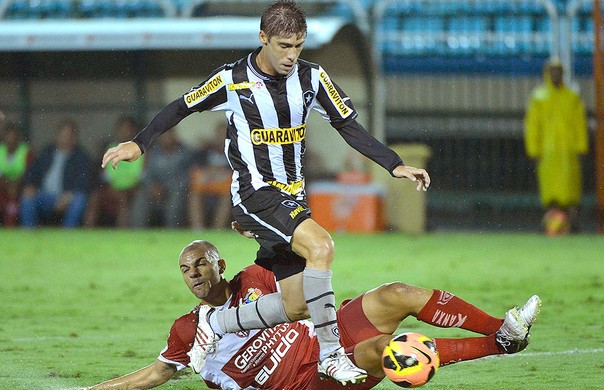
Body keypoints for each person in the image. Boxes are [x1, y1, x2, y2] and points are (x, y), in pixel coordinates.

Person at [101, 1, 430, 383]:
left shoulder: (312, 79)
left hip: (291, 199)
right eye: (283, 45)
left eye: (298, 45)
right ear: (263, 38)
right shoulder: (232, 79)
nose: (292, 55)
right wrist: (139, 144)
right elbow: (180, 107)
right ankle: (330, 354)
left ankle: (218, 322)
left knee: (297, 304)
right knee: (322, 247)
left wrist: (394, 163)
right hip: (254, 194)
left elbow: (349, 127)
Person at [87, 239, 541, 390]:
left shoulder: (254, 278)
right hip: (312, 380)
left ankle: (504, 331)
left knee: (397, 293)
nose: (194, 274)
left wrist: (265, 228)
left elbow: (296, 264)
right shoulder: (188, 329)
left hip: (325, 336)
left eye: (202, 263)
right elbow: (155, 373)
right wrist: (97, 388)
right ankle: (494, 346)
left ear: (220, 264)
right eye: (186, 270)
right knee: (386, 350)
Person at [524, 57, 589, 232]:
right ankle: (551, 225)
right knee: (550, 191)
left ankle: (572, 225)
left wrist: (582, 146)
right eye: (552, 71)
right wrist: (533, 149)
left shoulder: (572, 97)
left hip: (569, 151)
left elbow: (579, 123)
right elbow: (533, 126)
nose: (555, 74)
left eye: (558, 71)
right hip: (548, 152)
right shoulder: (539, 98)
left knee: (571, 191)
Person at [20, 119, 91, 228]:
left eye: (69, 135)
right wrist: (30, 185)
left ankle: (67, 235)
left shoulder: (81, 157)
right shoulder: (47, 152)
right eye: (63, 134)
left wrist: (69, 195)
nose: (65, 138)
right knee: (27, 198)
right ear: (58, 135)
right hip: (44, 196)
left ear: (74, 138)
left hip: (66, 196)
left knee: (79, 199)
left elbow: (84, 181)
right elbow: (32, 171)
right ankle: (28, 233)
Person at [84, 116, 144, 228]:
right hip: (111, 188)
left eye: (127, 129)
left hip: (131, 189)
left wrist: (126, 188)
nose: (123, 132)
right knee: (95, 197)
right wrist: (111, 187)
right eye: (121, 129)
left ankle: (121, 233)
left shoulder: (139, 149)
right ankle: (88, 232)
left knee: (123, 198)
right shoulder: (111, 148)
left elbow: (139, 176)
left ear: (133, 131)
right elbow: (105, 172)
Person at [130, 128, 191, 228]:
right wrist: (151, 186)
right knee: (140, 197)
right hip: (154, 191)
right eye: (163, 135)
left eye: (169, 134)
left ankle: (171, 234)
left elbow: (185, 177)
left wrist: (165, 187)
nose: (166, 138)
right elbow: (146, 173)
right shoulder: (153, 152)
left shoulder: (184, 153)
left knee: (175, 200)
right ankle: (137, 233)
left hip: (173, 191)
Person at [188, 121, 232, 230]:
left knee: (227, 197)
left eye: (224, 135)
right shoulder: (205, 151)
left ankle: (218, 229)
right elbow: (196, 168)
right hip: (206, 184)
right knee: (194, 194)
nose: (222, 138)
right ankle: (197, 228)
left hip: (224, 187)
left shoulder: (234, 152)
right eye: (220, 134)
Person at [0, 122, 34, 226]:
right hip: (3, 187)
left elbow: (30, 173)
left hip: (20, 188)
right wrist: (7, 184)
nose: (11, 140)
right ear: (4, 137)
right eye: (9, 136)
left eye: (14, 137)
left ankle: (15, 228)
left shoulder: (26, 152)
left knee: (23, 198)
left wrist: (15, 184)